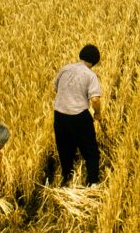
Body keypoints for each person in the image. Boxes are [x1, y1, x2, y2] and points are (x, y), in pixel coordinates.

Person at [53, 43, 103, 186]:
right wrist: (97, 114)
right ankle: (93, 182)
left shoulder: (65, 69)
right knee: (90, 150)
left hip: (60, 115)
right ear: (94, 61)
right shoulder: (90, 75)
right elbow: (95, 99)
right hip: (79, 116)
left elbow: (56, 88)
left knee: (64, 148)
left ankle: (66, 177)